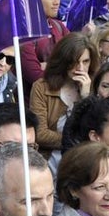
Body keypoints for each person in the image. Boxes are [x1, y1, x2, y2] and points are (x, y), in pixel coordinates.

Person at [29, 32, 97, 161]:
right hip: (50, 161)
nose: (80, 68)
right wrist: (76, 140)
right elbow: (40, 134)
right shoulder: (42, 87)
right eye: (74, 62)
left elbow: (96, 131)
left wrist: (86, 97)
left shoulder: (96, 87)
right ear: (63, 61)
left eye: (86, 61)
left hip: (85, 160)